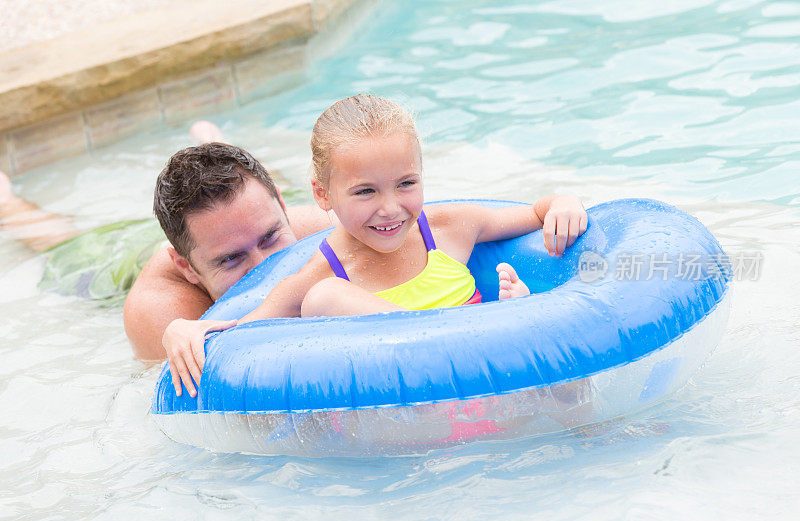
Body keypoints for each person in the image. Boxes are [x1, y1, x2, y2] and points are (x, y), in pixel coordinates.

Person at [164, 95, 587, 393]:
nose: (390, 209)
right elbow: (245, 327)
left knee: (565, 383)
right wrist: (181, 328)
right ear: (322, 194)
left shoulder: (448, 227)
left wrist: (562, 203)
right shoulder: (324, 271)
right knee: (324, 298)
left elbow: (536, 211)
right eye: (365, 192)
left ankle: (510, 319)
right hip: (410, 400)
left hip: (482, 378)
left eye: (406, 184)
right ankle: (450, 336)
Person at [0, 122, 333, 389]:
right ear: (185, 267)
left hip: (222, 226)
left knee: (271, 186)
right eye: (231, 260)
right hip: (124, 258)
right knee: (72, 247)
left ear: (284, 212)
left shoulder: (310, 226)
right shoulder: (158, 311)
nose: (267, 268)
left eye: (272, 238)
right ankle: (7, 203)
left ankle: (215, 146)